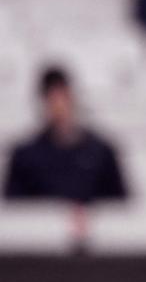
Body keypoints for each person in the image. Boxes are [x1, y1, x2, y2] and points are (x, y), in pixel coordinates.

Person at [4, 66, 127, 203]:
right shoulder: (25, 156)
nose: (59, 105)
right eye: (52, 98)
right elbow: (14, 210)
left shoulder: (101, 153)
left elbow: (119, 207)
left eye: (62, 96)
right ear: (43, 101)